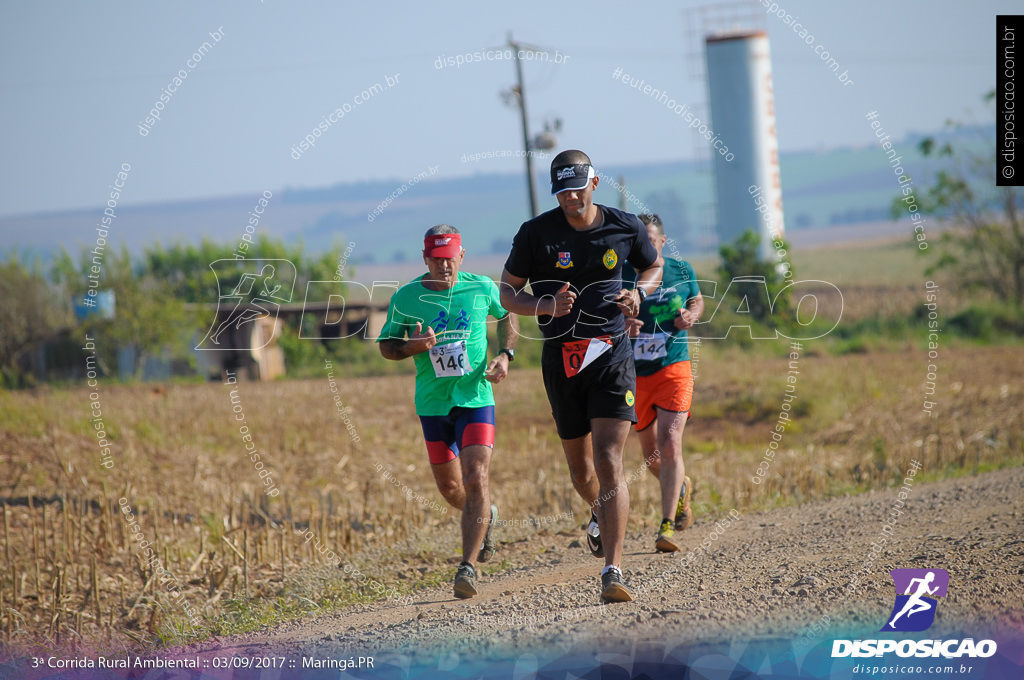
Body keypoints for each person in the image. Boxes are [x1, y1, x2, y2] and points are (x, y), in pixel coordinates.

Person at [499, 150, 663, 603]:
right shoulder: (536, 234)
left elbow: (652, 267)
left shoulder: (624, 225)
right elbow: (507, 291)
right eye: (562, 192)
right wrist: (544, 306)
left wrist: (638, 294)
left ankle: (613, 569)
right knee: (581, 471)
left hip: (611, 356)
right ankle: (599, 511)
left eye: (577, 189)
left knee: (610, 461)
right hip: (561, 360)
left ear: (594, 183)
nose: (570, 199)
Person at [378, 224, 518, 599]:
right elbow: (387, 347)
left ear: (461, 256)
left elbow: (508, 316)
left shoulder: (482, 287)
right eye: (437, 260)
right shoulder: (407, 298)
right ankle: (487, 516)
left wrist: (506, 355)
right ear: (426, 259)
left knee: (476, 477)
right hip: (433, 404)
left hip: (475, 398)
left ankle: (467, 567)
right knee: (451, 488)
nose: (444, 266)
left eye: (450, 259)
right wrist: (413, 347)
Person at [623, 214, 704, 553]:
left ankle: (666, 524)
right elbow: (604, 315)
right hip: (635, 374)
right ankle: (681, 486)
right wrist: (624, 324)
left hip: (674, 367)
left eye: (651, 240)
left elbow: (697, 300)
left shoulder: (681, 271)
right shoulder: (623, 275)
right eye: (639, 241)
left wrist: (690, 316)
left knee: (670, 445)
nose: (646, 246)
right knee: (652, 457)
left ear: (662, 241)